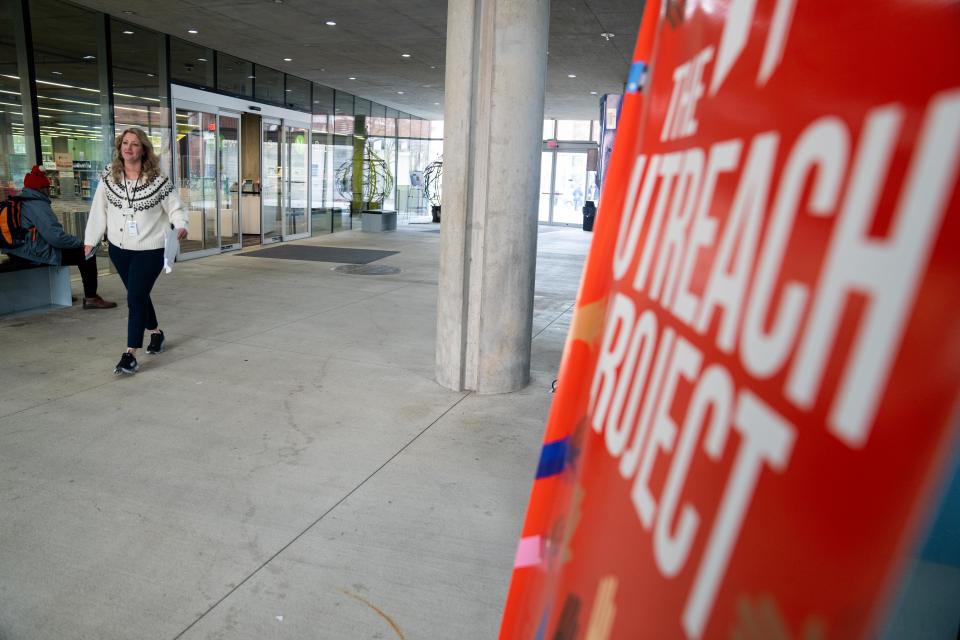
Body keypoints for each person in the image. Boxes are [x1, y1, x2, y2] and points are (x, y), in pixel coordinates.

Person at [84, 127, 188, 375]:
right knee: (138, 294)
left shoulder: (158, 180)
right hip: (119, 250)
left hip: (150, 249)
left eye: (134, 144)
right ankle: (156, 334)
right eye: (125, 143)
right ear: (120, 147)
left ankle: (130, 353)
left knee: (134, 298)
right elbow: (99, 210)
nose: (128, 148)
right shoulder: (109, 177)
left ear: (143, 150)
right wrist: (91, 239)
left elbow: (176, 208)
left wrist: (181, 226)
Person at [1, 165, 116, 309]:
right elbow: (56, 238)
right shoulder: (37, 205)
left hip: (18, 251)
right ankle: (91, 297)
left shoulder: (23, 200)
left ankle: (62, 293)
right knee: (87, 254)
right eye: (48, 188)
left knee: (71, 251)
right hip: (32, 252)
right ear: (42, 189)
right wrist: (82, 243)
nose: (49, 191)